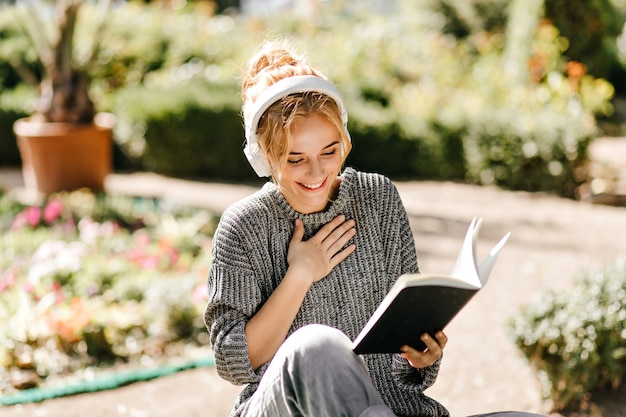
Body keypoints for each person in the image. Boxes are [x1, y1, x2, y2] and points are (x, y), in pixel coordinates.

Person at [204, 40, 546, 417]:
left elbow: (403, 366)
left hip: (390, 410)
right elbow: (233, 361)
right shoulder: (244, 226)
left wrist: (422, 357)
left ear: (345, 140)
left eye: (329, 152)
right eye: (296, 158)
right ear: (262, 157)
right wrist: (300, 274)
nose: (317, 173)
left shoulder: (378, 198)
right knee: (317, 345)